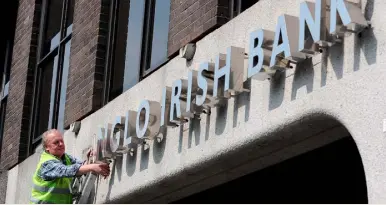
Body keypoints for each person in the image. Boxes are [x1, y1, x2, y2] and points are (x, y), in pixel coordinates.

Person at [30, 129, 110, 204]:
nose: (61, 144)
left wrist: (91, 158)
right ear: (47, 147)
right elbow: (66, 170)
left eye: (61, 141)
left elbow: (80, 166)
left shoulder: (65, 157)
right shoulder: (46, 163)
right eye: (56, 142)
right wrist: (92, 167)